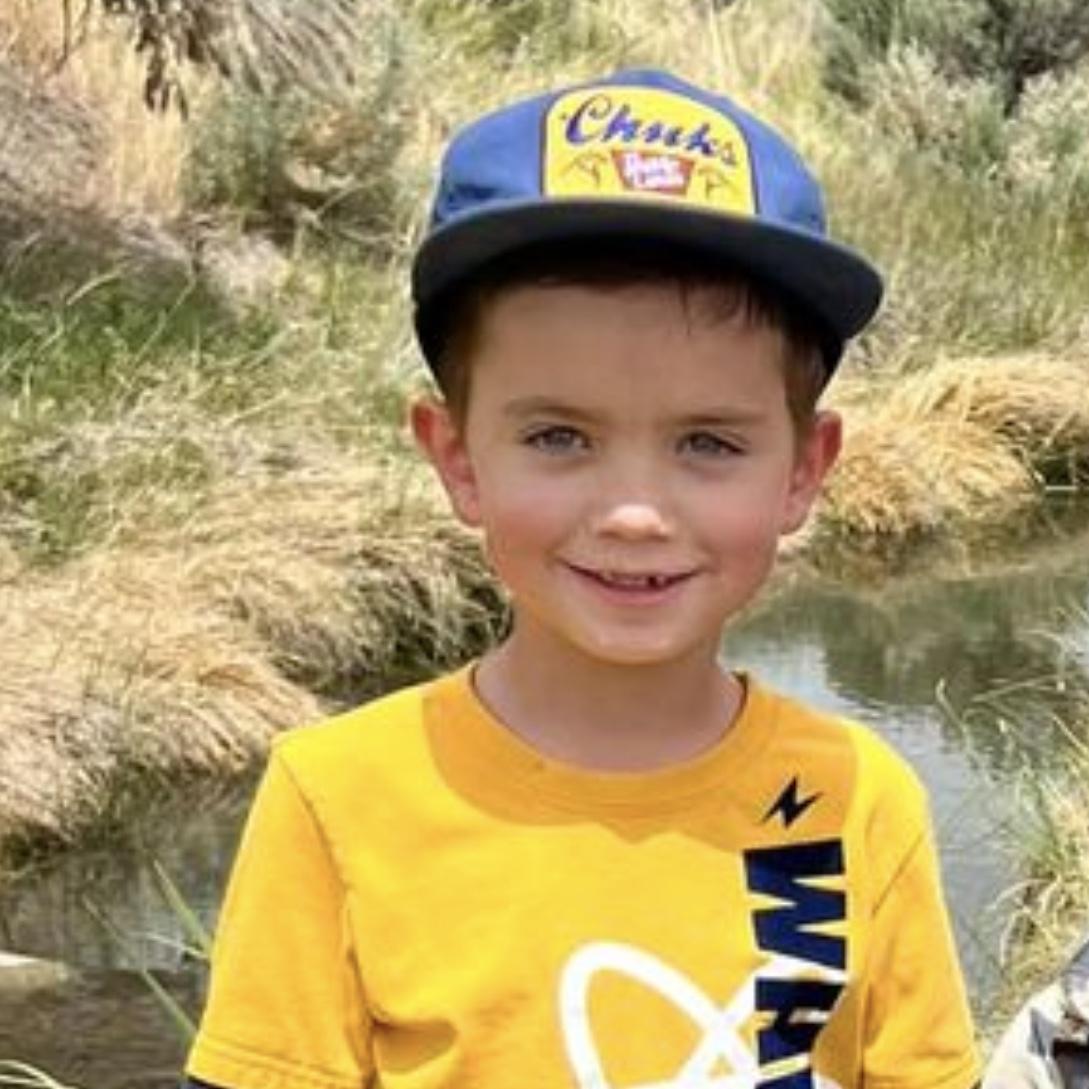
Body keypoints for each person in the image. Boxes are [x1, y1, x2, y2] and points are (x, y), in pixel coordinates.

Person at [183, 68, 981, 1089]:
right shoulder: (337, 801)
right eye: (559, 436)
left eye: (708, 442)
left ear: (803, 471)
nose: (634, 513)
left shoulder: (856, 799)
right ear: (456, 457)